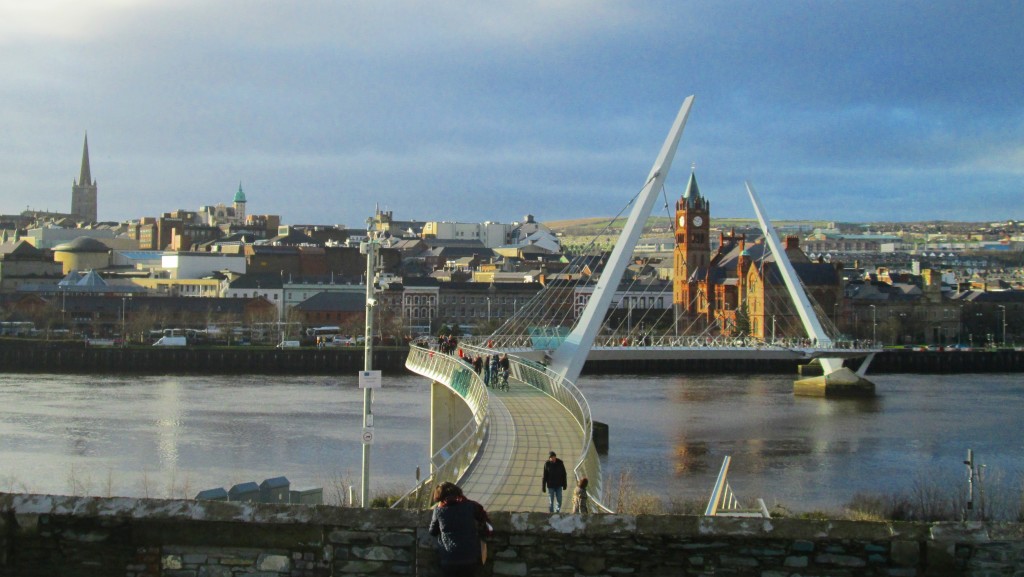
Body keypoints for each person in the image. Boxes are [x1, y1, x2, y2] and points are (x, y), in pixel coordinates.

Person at [428, 482, 492, 577]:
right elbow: (487, 525)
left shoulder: (438, 511)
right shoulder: (471, 506)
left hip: (448, 559)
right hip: (470, 557)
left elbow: (432, 532)